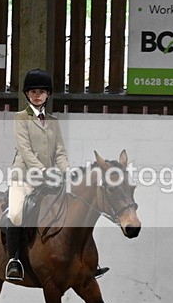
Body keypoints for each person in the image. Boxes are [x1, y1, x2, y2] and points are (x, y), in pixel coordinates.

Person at [6, 68, 109, 281]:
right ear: (27, 94)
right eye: (33, 92)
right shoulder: (20, 118)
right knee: (16, 214)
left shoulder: (52, 120)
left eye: (41, 92)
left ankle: (86, 260)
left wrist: (65, 170)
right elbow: (25, 151)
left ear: (48, 95)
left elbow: (60, 151)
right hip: (24, 178)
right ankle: (14, 260)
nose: (37, 95)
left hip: (50, 179)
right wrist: (44, 171)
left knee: (73, 210)